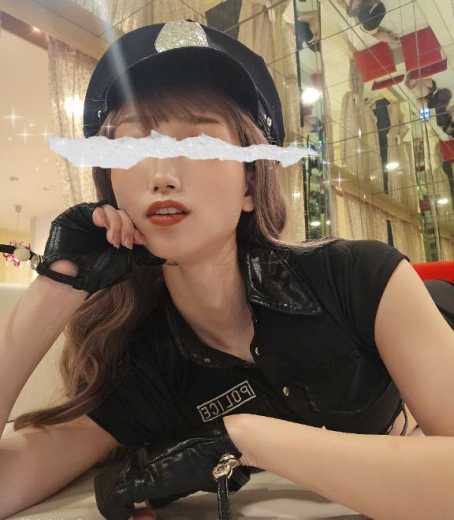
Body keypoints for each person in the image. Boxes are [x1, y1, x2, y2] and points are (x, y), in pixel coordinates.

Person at [1, 18, 454, 520]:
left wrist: (243, 438)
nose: (162, 174)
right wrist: (57, 284)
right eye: (133, 148)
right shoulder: (144, 366)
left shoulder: (362, 277)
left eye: (199, 143)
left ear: (249, 184)